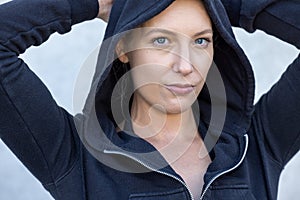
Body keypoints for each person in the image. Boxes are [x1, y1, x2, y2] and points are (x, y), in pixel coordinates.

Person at [0, 0, 299, 199]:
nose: (185, 65)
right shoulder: (74, 156)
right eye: (161, 40)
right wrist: (95, 2)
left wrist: (226, 4)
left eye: (200, 40)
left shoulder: (257, 144)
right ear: (123, 49)